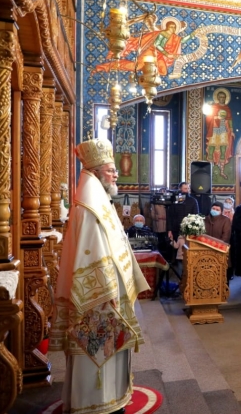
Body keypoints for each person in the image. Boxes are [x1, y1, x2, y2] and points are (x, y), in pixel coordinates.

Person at [52, 139, 149, 414]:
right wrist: (108, 296)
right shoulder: (89, 207)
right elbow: (94, 257)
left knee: (110, 351)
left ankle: (112, 398)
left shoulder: (98, 200)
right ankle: (94, 404)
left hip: (108, 296)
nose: (116, 174)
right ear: (94, 172)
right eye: (110, 170)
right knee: (95, 351)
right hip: (99, 300)